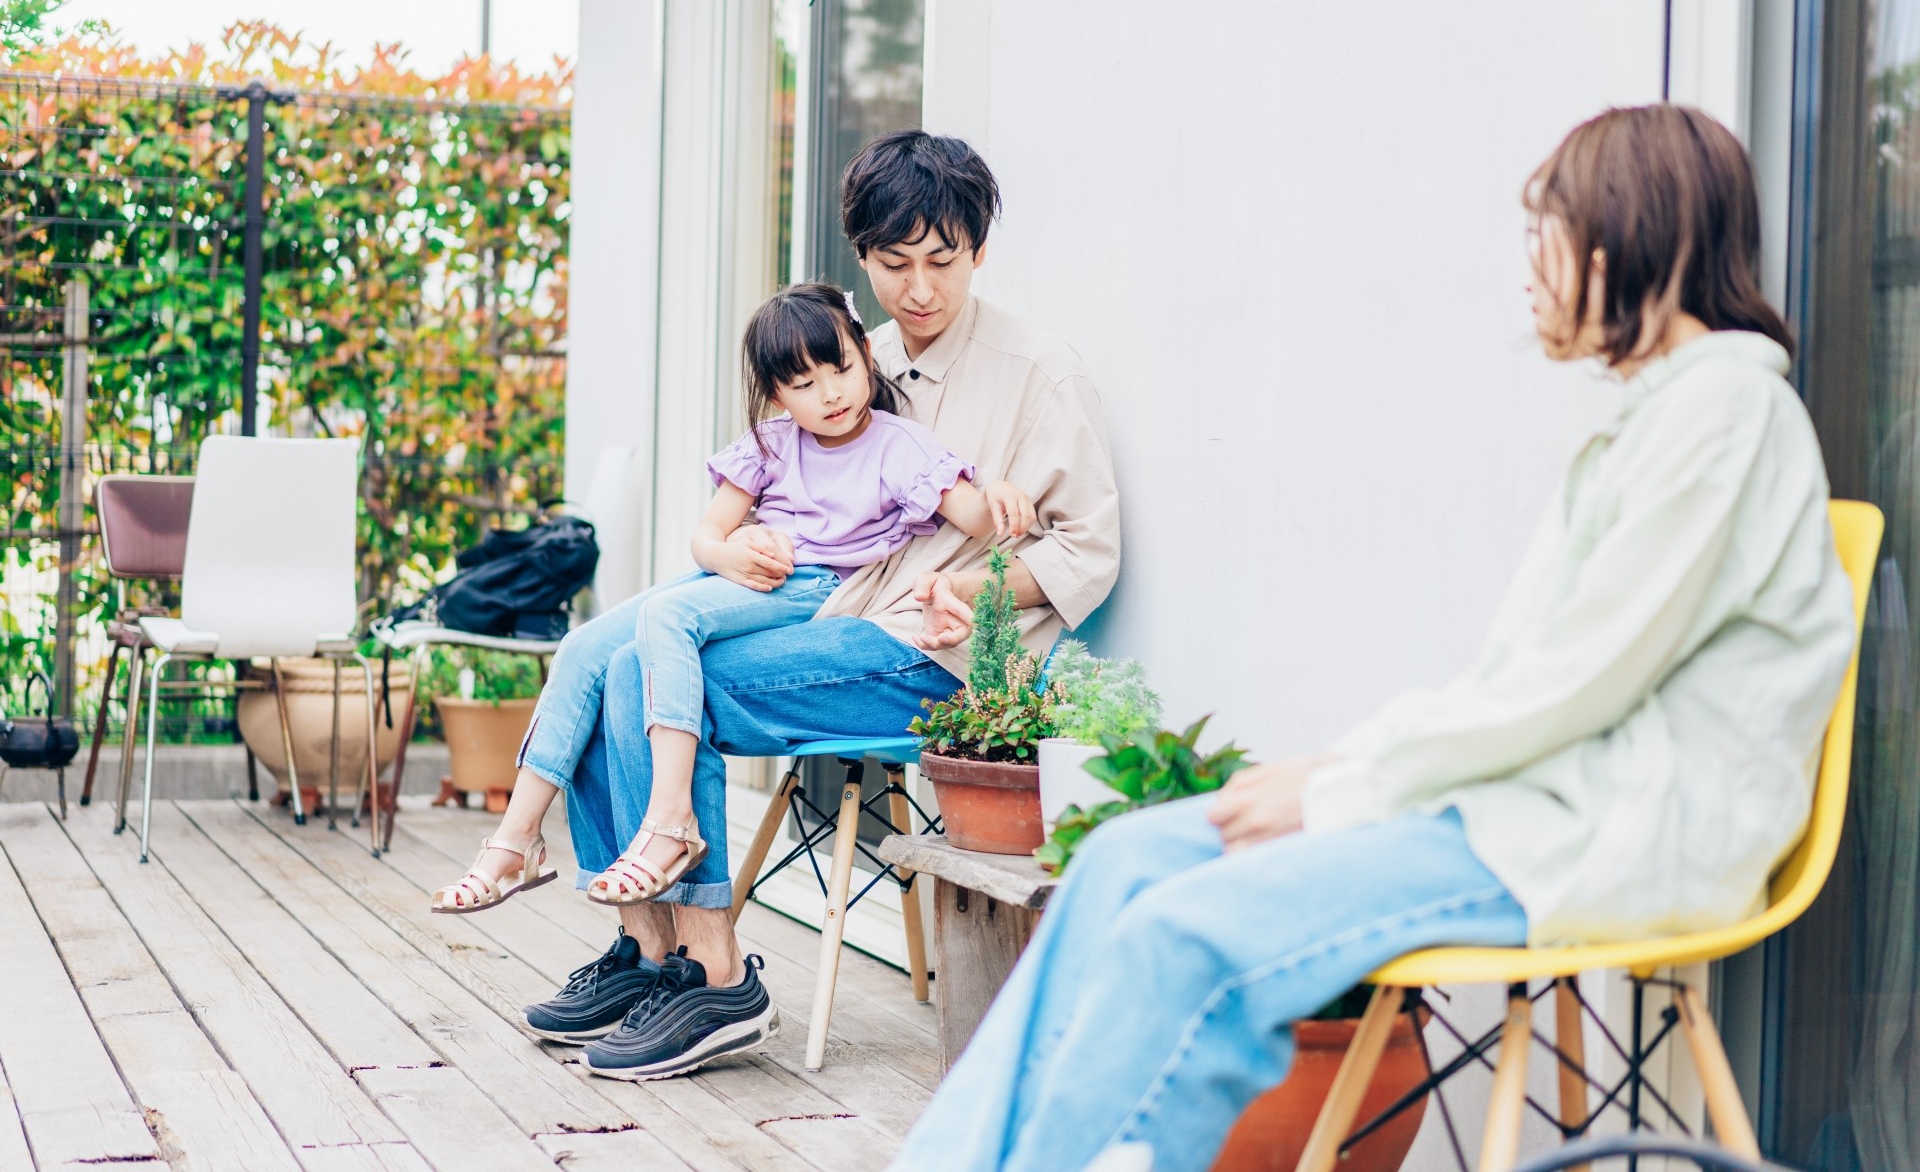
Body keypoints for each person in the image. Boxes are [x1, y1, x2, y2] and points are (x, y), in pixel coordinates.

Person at [888, 103, 1859, 1172]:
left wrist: (1336, 784)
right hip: (1521, 807)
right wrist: (1347, 776)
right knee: (1122, 857)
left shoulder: (1724, 418)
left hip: (1599, 835)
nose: (1528, 273)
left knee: (1190, 936)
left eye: (1546, 235)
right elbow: (1546, 685)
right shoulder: (1665, 417)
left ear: (1621, 240)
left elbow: (1566, 687)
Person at [485, 131, 1122, 1082]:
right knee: (615, 661)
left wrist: (972, 588)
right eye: (893, 264)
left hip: (930, 658)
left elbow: (1086, 550)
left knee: (667, 673)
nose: (918, 289)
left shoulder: (1037, 373)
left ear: (978, 251)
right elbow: (769, 486)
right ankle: (652, 953)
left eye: (942, 263)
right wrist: (732, 547)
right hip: (823, 620)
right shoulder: (850, 361)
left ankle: (714, 979)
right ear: (860, 258)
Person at [428, 282, 1036, 913]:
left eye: (842, 369)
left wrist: (997, 496)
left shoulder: (894, 443)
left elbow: (968, 511)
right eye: (803, 383)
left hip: (816, 588)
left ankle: (670, 820)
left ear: (866, 354)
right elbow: (706, 535)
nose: (830, 394)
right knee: (583, 648)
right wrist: (727, 552)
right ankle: (515, 839)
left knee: (663, 619)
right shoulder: (772, 443)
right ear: (776, 394)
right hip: (730, 582)